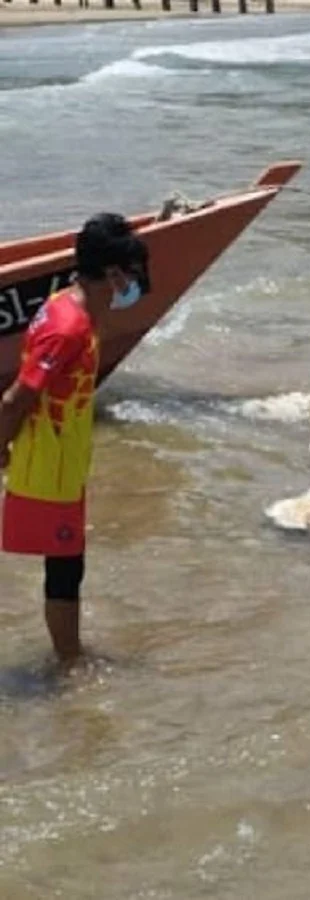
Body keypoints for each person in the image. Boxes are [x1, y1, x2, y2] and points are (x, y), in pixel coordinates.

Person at [0, 213, 150, 668]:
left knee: (68, 563)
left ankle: (69, 655)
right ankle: (69, 663)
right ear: (113, 273)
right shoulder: (70, 327)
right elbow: (17, 397)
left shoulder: (71, 306)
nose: (136, 283)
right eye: (133, 272)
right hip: (48, 464)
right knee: (65, 567)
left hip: (64, 460)